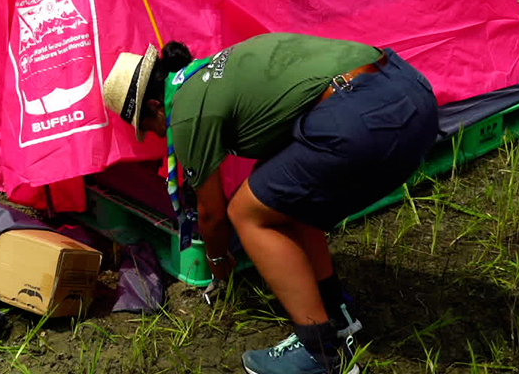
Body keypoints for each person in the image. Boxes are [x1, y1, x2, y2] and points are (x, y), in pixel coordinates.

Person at [102, 34, 439, 374]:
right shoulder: (216, 71)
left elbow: (213, 213)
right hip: (413, 94)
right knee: (283, 199)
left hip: (363, 118)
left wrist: (217, 261)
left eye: (150, 127)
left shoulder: (187, 110)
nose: (160, 137)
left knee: (246, 213)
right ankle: (336, 312)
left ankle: (318, 353)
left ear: (155, 107)